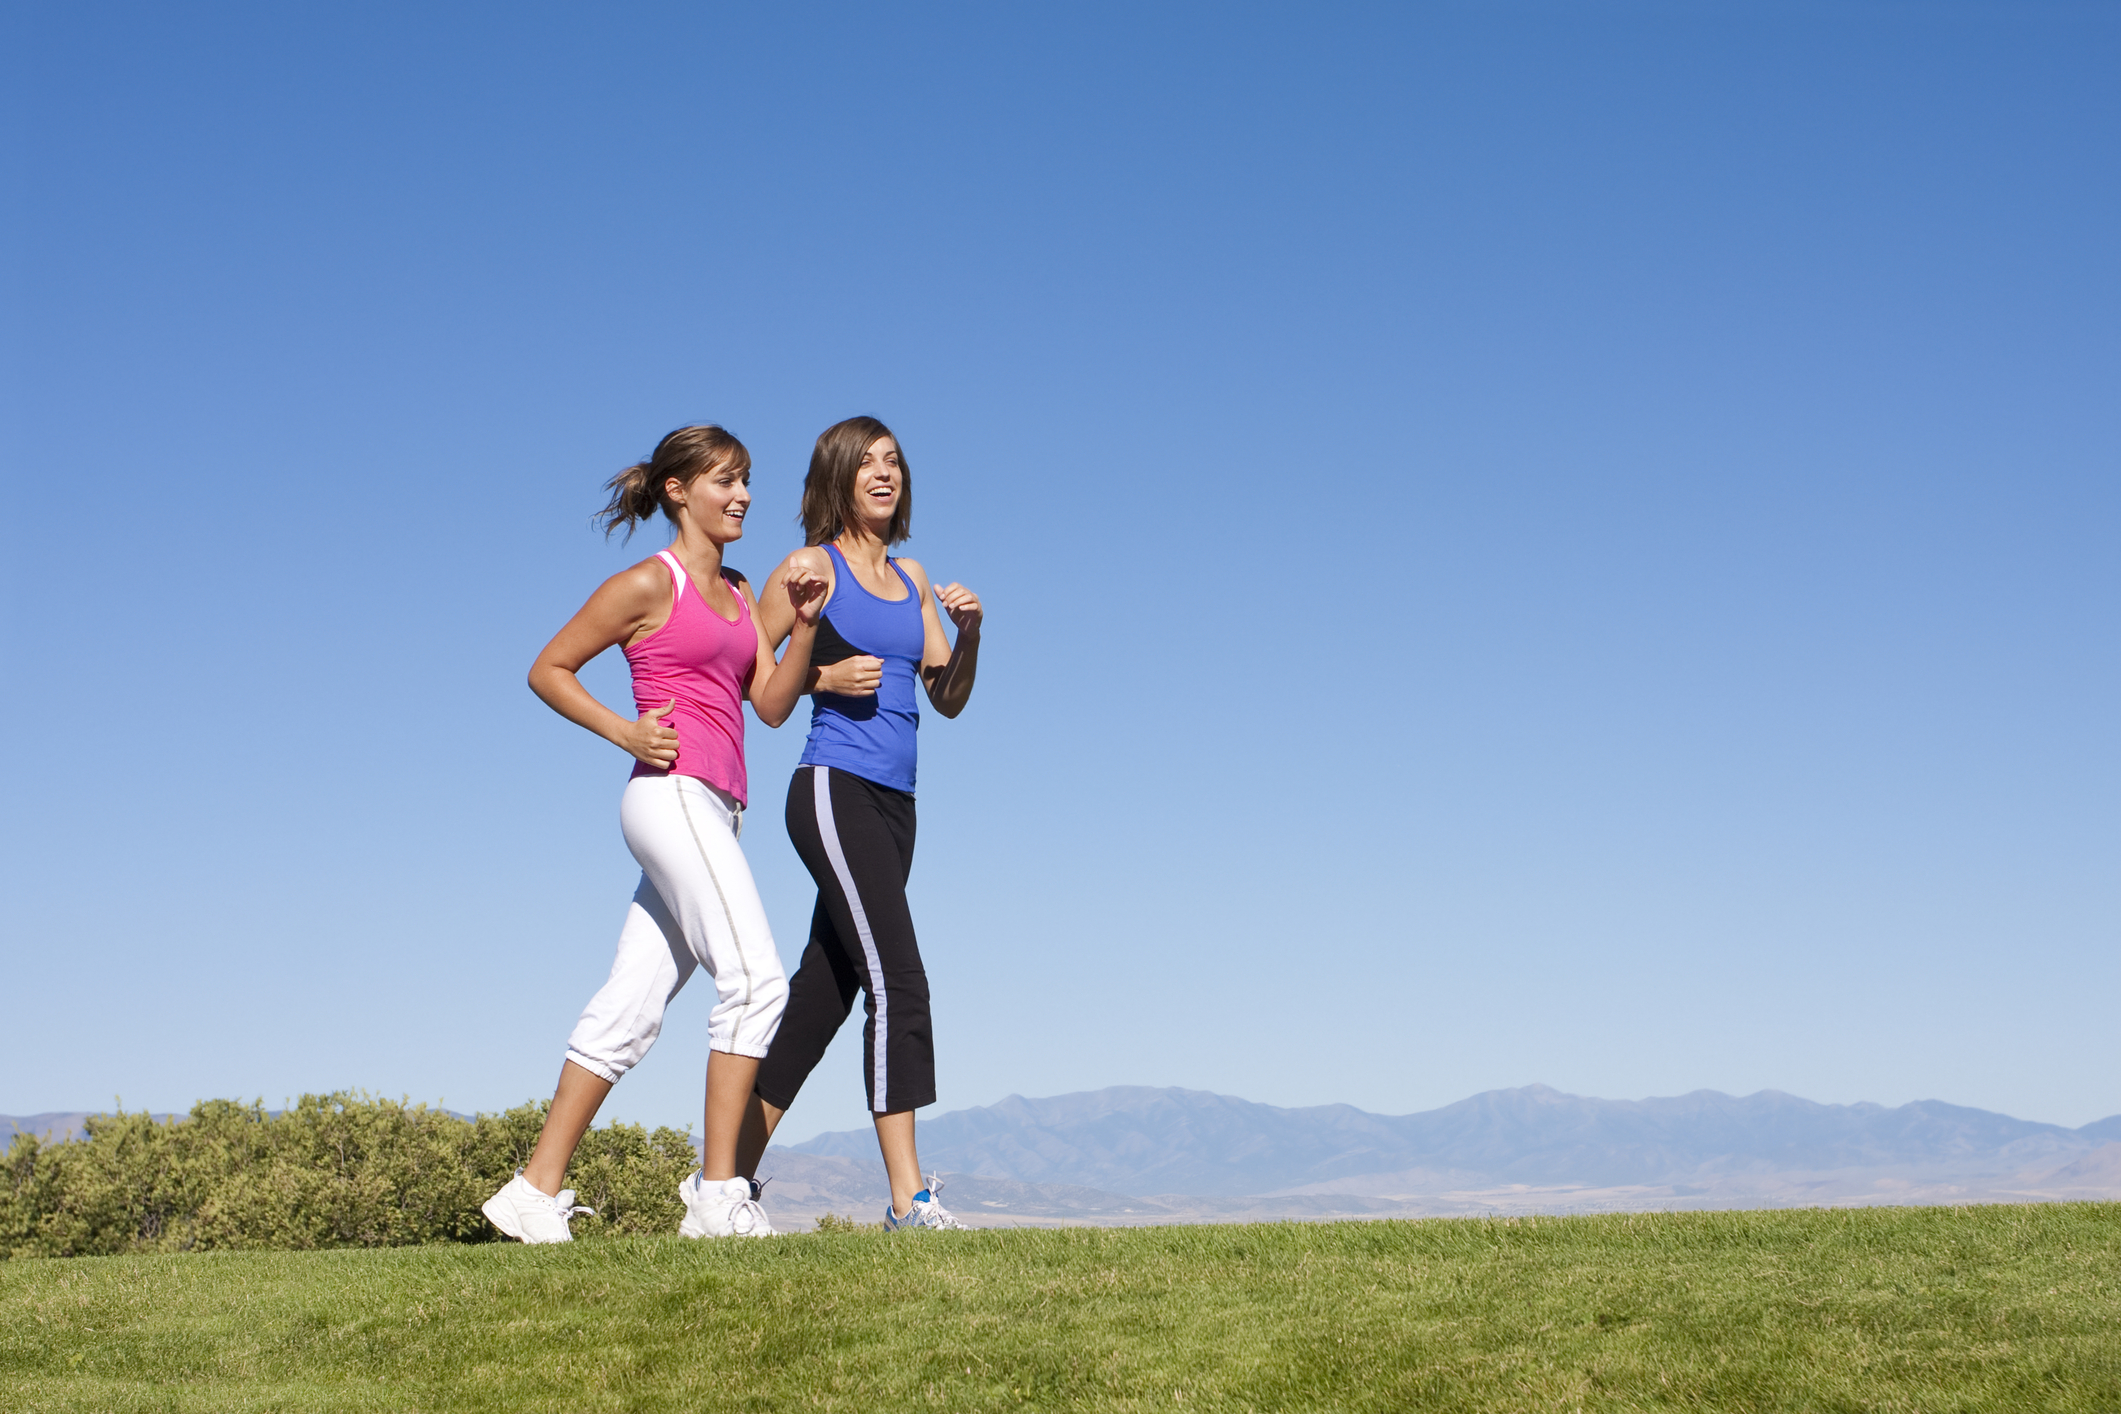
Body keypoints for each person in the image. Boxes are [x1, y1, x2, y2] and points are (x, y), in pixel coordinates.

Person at [481, 424, 825, 1244]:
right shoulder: (646, 582)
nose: (741, 495)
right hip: (669, 796)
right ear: (678, 490)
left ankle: (533, 1189)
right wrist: (625, 732)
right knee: (756, 981)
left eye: (745, 481)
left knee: (629, 1009)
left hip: (718, 812)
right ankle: (716, 1194)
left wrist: (805, 625)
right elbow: (548, 668)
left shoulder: (742, 593)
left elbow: (769, 705)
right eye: (724, 481)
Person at [737, 416, 984, 1231]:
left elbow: (945, 700)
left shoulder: (912, 579)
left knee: (823, 995)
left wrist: (971, 631)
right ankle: (908, 1201)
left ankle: (723, 1182)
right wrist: (822, 675)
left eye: (894, 461)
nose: (885, 473)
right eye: (866, 463)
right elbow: (757, 687)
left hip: (896, 805)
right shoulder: (811, 567)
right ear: (836, 477)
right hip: (830, 789)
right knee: (899, 981)